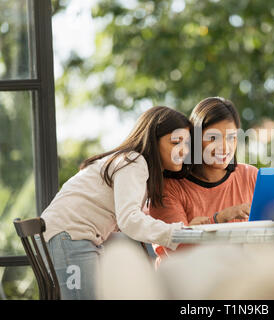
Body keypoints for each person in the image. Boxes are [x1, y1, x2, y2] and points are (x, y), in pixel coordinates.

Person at [38, 106, 193, 299]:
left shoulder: (129, 162)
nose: (184, 150)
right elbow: (129, 219)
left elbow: (124, 217)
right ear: (153, 139)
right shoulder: (134, 162)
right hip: (68, 236)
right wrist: (175, 233)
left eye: (187, 144)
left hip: (66, 236)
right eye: (176, 142)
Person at [147, 97, 258, 263]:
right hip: (184, 281)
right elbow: (180, 251)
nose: (225, 147)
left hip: (241, 279)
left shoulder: (250, 175)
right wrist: (219, 219)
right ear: (194, 139)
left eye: (231, 137)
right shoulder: (168, 187)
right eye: (213, 138)